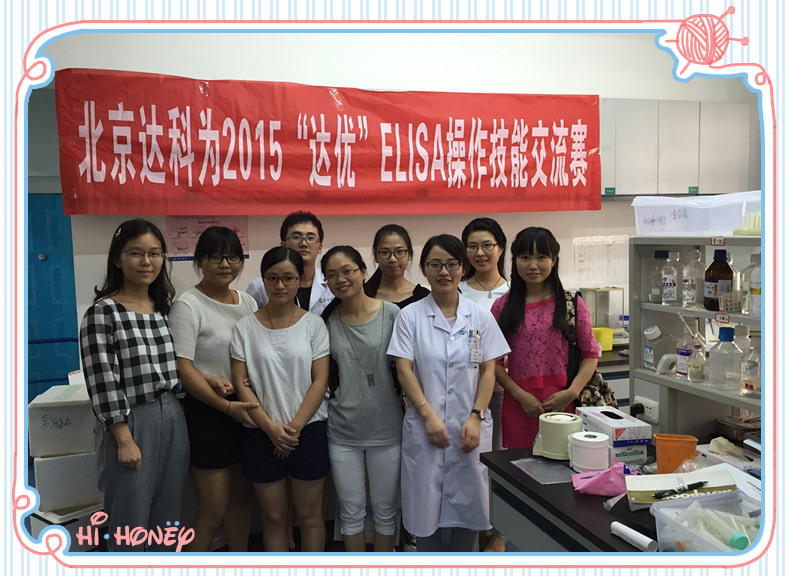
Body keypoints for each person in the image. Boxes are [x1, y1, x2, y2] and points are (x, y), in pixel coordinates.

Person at [387, 234, 510, 552]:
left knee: (469, 520)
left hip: (470, 427)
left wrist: (476, 416)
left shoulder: (479, 316)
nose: (444, 272)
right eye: (435, 265)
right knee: (424, 519)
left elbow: (489, 370)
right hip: (424, 427)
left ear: (463, 268)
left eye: (452, 264)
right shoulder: (410, 316)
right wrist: (428, 416)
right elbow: (404, 370)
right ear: (424, 270)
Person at [79, 219, 188, 552]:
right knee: (130, 517)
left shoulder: (162, 309)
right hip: (131, 420)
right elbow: (102, 379)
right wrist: (124, 439)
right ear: (117, 258)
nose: (146, 262)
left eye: (154, 253)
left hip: (173, 414)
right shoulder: (103, 312)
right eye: (136, 253)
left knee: (168, 513)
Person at [231, 246, 331, 552]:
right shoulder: (245, 327)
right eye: (272, 278)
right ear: (263, 280)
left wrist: (294, 429)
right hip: (261, 432)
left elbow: (320, 380)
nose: (280, 285)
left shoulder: (314, 325)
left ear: (300, 280)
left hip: (308, 430)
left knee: (310, 517)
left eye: (288, 278)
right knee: (273, 517)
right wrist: (271, 429)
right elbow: (241, 383)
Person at [169, 226, 258, 551]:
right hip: (208, 412)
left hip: (245, 409)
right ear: (200, 260)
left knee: (242, 501)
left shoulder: (247, 301)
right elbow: (183, 369)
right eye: (216, 257)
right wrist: (226, 407)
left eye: (232, 257)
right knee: (213, 510)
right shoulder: (188, 305)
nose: (225, 265)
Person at [320, 246, 402, 552]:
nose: (340, 279)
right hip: (343, 431)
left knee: (385, 511)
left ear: (364, 272)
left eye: (347, 271)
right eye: (331, 275)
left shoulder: (392, 314)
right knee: (350, 513)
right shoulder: (326, 320)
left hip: (388, 428)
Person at [491, 227, 599, 449]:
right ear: (515, 260)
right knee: (519, 465)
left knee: (563, 463)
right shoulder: (502, 307)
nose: (533, 265)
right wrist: (520, 396)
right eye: (525, 257)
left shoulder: (571, 303)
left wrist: (571, 393)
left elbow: (590, 354)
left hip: (564, 405)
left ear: (554, 260)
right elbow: (493, 361)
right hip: (519, 406)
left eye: (541, 257)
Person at [457, 217, 509, 552]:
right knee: (474, 463)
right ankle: (476, 529)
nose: (480, 253)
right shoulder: (457, 290)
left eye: (487, 245)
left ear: (500, 248)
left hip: (507, 390)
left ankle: (501, 532)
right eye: (472, 246)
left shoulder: (514, 291)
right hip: (466, 390)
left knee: (503, 458)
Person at [246, 211, 334, 314]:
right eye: (296, 237)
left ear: (320, 247)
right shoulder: (260, 286)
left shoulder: (331, 283)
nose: (304, 243)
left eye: (310, 238)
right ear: (283, 245)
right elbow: (248, 320)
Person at [365, 224, 430, 308]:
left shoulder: (423, 297)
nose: (392, 259)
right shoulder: (363, 295)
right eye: (385, 252)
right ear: (376, 256)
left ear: (410, 255)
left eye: (399, 251)